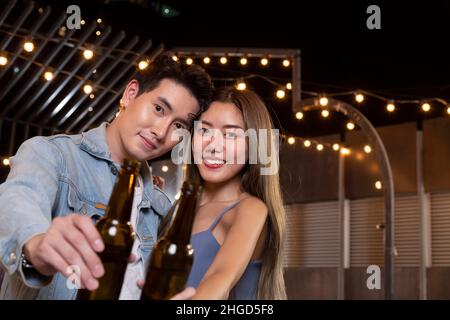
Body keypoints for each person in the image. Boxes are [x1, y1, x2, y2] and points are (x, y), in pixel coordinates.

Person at [0, 53, 213, 300]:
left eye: (179, 126)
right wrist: (36, 245)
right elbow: (17, 200)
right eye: (158, 108)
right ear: (131, 93)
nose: (160, 131)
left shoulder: (161, 208)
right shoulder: (54, 155)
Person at [161, 87, 287, 299]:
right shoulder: (177, 209)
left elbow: (220, 278)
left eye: (230, 134)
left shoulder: (250, 209)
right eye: (205, 131)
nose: (214, 146)